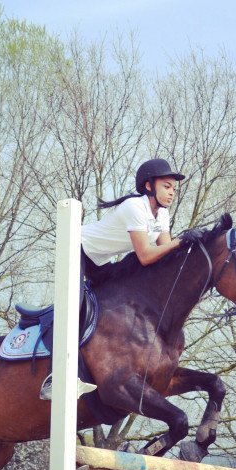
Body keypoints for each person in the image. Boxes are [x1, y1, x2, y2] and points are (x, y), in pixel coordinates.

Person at [39, 158, 204, 400]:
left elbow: (167, 254)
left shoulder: (162, 215)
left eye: (174, 188)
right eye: (167, 186)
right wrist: (182, 240)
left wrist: (194, 247)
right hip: (76, 248)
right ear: (149, 186)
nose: (172, 192)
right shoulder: (135, 208)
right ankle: (55, 378)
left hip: (99, 261)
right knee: (75, 309)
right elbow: (147, 256)